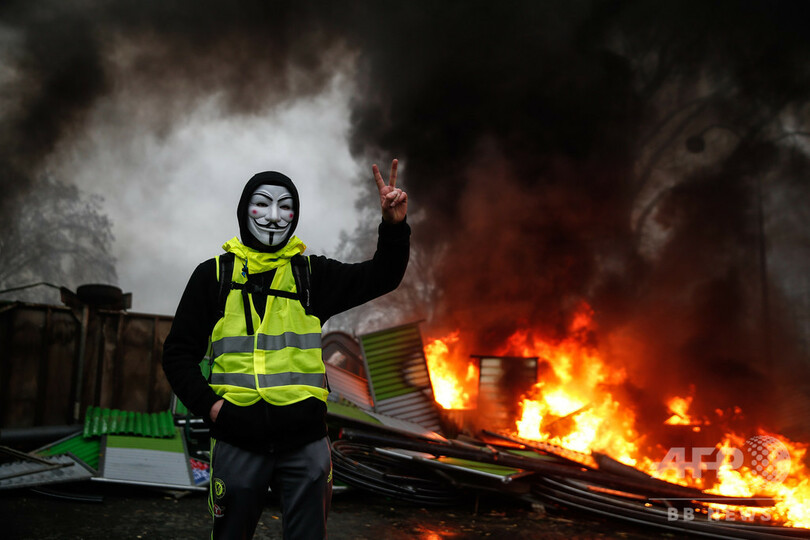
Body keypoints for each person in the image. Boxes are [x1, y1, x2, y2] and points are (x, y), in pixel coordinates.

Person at [162, 160, 409, 539]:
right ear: (245, 210)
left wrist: (393, 226)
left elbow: (382, 275)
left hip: (304, 441)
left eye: (285, 206)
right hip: (236, 437)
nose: (274, 217)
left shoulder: (312, 276)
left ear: (295, 215)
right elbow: (177, 353)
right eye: (263, 204)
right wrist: (213, 408)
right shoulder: (213, 276)